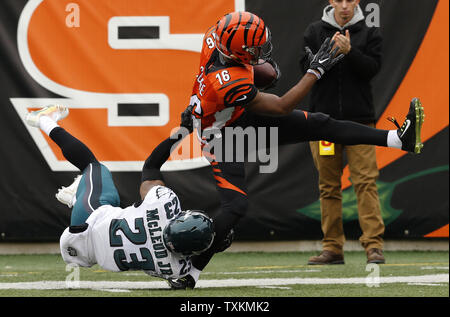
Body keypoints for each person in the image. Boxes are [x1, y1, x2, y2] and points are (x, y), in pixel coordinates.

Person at [168, 11, 424, 288]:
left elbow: (243, 64)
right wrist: (316, 70)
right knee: (236, 206)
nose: (261, 51)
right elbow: (281, 106)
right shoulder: (228, 79)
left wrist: (252, 68)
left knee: (319, 124)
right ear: (238, 51)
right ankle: (190, 272)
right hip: (222, 136)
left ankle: (399, 140)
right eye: (254, 48)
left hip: (232, 112)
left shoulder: (214, 38)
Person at [24, 104, 219, 289]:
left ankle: (44, 120)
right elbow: (187, 262)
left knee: (93, 167)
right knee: (114, 204)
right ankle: (76, 197)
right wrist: (215, 244)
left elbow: (151, 166)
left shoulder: (163, 203)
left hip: (88, 219)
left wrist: (183, 131)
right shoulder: (175, 269)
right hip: (84, 256)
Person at [300, 0, 386, 265]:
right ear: (331, 2)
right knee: (328, 187)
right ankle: (332, 248)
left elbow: (372, 69)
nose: (345, 5)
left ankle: (374, 247)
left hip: (360, 122)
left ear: (357, 2)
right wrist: (328, 54)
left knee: (365, 183)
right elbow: (305, 69)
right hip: (323, 123)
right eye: (340, 0)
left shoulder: (370, 32)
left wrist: (350, 52)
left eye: (350, 0)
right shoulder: (314, 31)